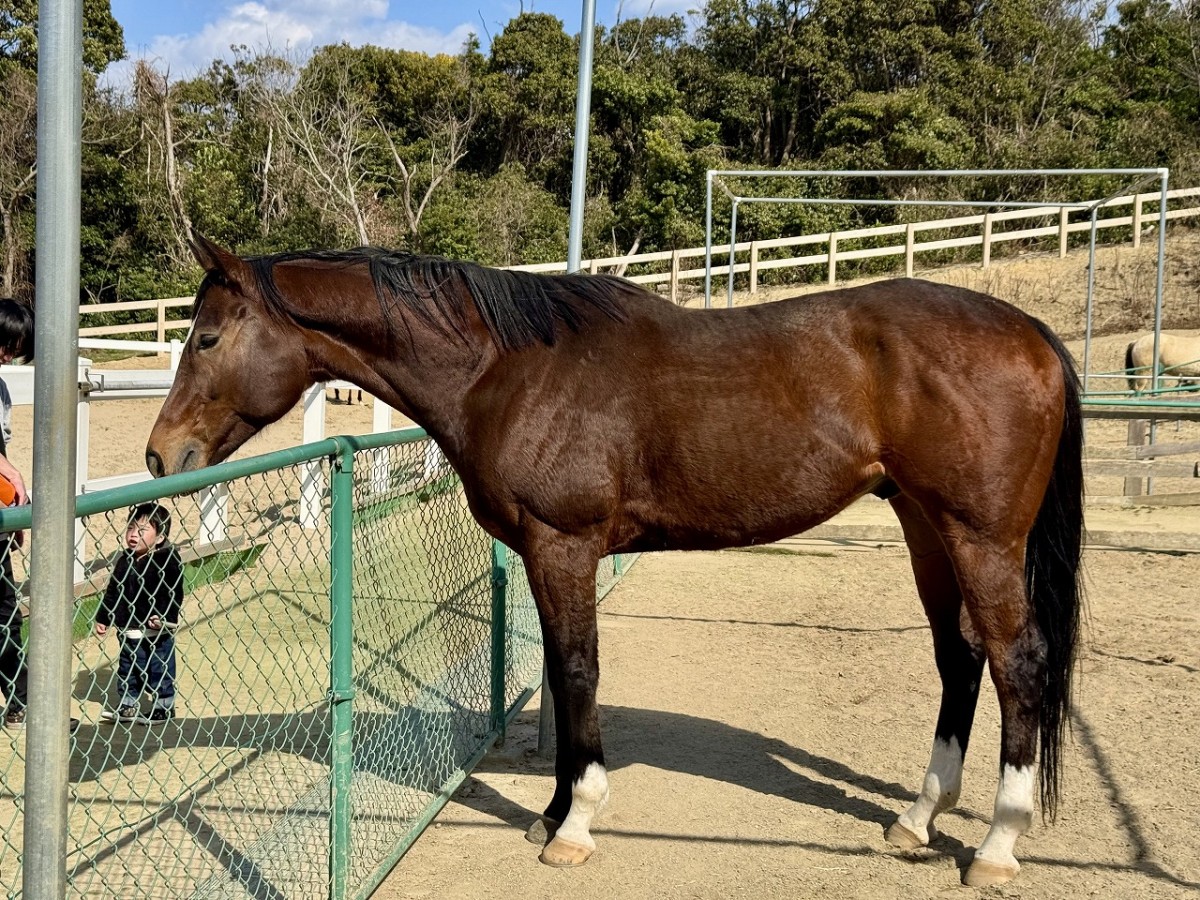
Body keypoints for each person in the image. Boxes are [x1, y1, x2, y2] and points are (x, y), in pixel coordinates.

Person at [95, 503, 183, 725]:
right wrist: (104, 617)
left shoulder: (167, 560)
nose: (134, 535)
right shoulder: (125, 560)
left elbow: (172, 593)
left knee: (159, 667)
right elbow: (113, 590)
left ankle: (163, 705)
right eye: (130, 528)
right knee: (128, 668)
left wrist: (164, 617)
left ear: (160, 537)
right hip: (128, 628)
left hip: (156, 630)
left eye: (142, 531)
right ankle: (128, 703)